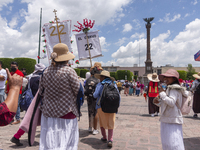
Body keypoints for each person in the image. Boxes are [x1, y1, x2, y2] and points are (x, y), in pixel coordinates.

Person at [39, 43, 80, 150]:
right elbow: (78, 91)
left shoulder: (45, 71)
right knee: (66, 141)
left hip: (48, 112)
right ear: (66, 58)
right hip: (66, 111)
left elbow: (41, 92)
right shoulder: (69, 71)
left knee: (50, 142)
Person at [10, 63, 46, 146]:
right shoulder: (40, 78)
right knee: (40, 121)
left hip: (30, 102)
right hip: (37, 104)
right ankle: (17, 137)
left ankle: (17, 136)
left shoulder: (31, 78)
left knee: (28, 121)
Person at [153, 69, 187, 150]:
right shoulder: (168, 88)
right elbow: (165, 103)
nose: (165, 78)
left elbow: (171, 102)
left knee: (173, 143)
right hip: (168, 118)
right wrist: (158, 101)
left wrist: (162, 93)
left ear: (174, 79)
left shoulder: (175, 89)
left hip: (172, 119)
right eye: (165, 76)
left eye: (168, 77)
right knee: (167, 143)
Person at [93, 70, 120, 148]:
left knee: (102, 122)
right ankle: (110, 139)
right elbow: (119, 96)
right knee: (111, 122)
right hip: (112, 106)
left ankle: (104, 137)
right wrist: (116, 106)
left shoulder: (100, 84)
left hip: (101, 106)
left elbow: (95, 95)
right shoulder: (114, 84)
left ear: (103, 77)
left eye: (101, 76)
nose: (100, 78)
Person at [84, 62, 102, 135]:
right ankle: (95, 128)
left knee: (90, 112)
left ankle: (90, 127)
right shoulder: (98, 80)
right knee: (96, 113)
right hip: (96, 98)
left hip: (89, 97)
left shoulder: (88, 79)